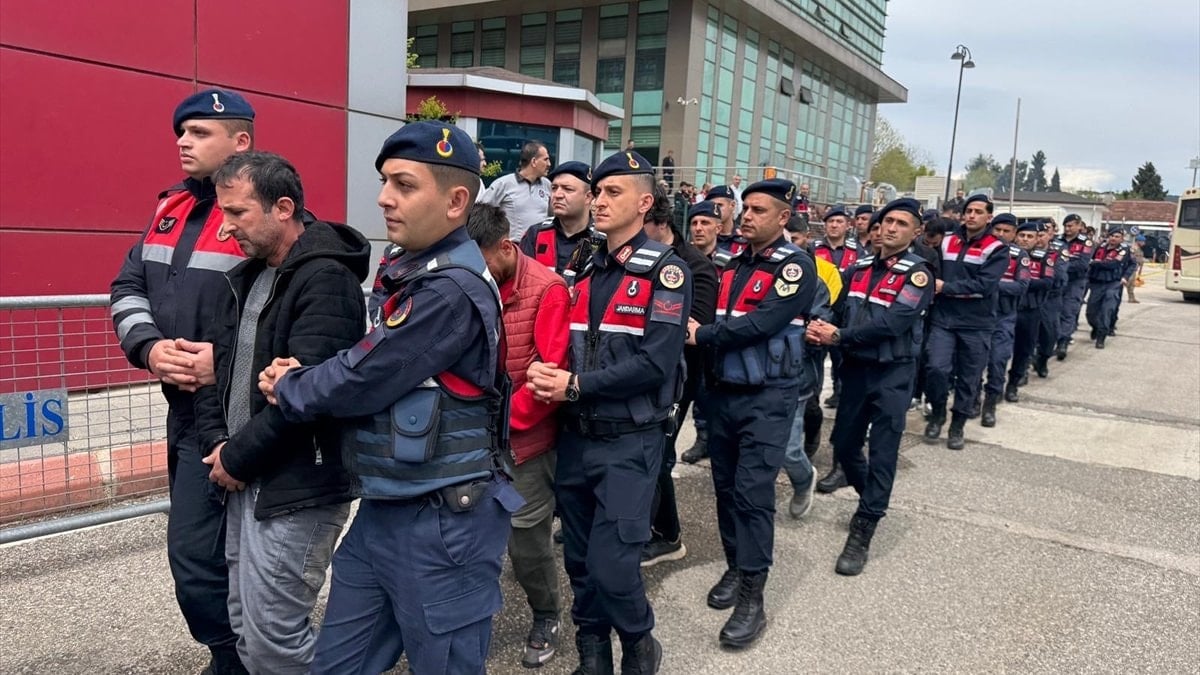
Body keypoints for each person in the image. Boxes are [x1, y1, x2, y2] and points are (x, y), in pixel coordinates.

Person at [258, 121, 523, 674]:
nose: (383, 197)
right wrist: (307, 371)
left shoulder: (449, 290)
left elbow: (364, 376)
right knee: (337, 665)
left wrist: (292, 385)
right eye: (384, 182)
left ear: (455, 202)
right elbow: (371, 356)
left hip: (444, 526)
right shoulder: (410, 271)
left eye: (404, 185)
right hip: (388, 508)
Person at [191, 151, 368, 673]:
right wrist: (216, 446)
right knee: (246, 627)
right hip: (246, 480)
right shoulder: (245, 278)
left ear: (283, 207)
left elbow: (307, 403)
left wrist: (235, 460)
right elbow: (215, 371)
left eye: (238, 214)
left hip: (296, 488)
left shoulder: (326, 280)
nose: (225, 229)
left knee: (274, 636)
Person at [527, 150, 691, 675]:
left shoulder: (666, 272)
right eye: (596, 191)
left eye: (612, 192)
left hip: (630, 440)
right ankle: (593, 654)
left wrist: (575, 385)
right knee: (579, 563)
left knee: (614, 566)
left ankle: (640, 645)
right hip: (574, 438)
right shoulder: (582, 266)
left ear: (644, 203)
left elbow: (656, 363)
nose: (598, 201)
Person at [109, 88, 255, 675]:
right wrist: (149, 347)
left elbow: (293, 317)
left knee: (207, 556)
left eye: (199, 133)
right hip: (184, 411)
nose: (183, 142)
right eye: (181, 132)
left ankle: (239, 656)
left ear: (240, 141)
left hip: (239, 414)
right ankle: (233, 653)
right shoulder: (167, 209)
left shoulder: (267, 211)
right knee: (198, 558)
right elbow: (127, 288)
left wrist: (224, 362)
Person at [687, 179, 817, 649]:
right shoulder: (732, 261)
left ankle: (752, 599)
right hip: (722, 393)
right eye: (745, 208)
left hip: (768, 397)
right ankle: (735, 567)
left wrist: (701, 336)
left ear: (783, 218)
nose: (746, 216)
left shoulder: (796, 266)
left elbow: (764, 323)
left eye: (759, 210)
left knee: (752, 494)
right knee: (724, 490)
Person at [807, 197, 934, 575]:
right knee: (844, 446)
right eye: (887, 222)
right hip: (856, 372)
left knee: (882, 451)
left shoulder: (917, 273)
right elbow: (837, 304)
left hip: (893, 374)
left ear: (916, 231)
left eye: (900, 223)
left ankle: (864, 525)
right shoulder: (860, 268)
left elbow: (894, 323)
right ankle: (872, 500)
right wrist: (819, 323)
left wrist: (838, 336)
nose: (891, 228)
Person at [468, 203, 571, 669]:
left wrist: (498, 421)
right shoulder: (473, 281)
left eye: (483, 262)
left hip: (526, 440)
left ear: (506, 247)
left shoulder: (547, 290)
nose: (477, 274)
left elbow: (548, 383)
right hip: (478, 437)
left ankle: (547, 614)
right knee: (473, 532)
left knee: (528, 539)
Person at [641, 189, 718, 567]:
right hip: (641, 369)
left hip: (679, 375)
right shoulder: (635, 256)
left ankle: (667, 535)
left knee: (659, 455)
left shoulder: (695, 266)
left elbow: (691, 330)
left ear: (660, 223)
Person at [922, 194, 1009, 451]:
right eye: (968, 210)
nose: (971, 215)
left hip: (977, 323)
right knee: (936, 369)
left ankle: (957, 424)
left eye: (978, 211)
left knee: (969, 378)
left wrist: (946, 287)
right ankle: (938, 413)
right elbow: (932, 269)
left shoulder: (997, 248)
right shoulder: (947, 240)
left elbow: (985, 285)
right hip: (944, 319)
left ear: (988, 217)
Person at [781, 215, 842, 518]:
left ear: (805, 238)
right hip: (753, 373)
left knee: (789, 449)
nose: (789, 246)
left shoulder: (815, 281)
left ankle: (804, 479)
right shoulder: (758, 271)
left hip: (795, 373)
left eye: (795, 239)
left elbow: (818, 326)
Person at [680, 200, 726, 465]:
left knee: (712, 399)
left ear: (718, 228)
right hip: (689, 343)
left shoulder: (729, 263)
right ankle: (702, 439)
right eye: (694, 223)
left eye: (705, 223)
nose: (698, 228)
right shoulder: (681, 261)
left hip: (714, 340)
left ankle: (713, 440)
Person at [979, 214, 1029, 425]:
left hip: (1004, 317)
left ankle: (990, 403)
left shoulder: (1020, 256)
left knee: (998, 360)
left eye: (1006, 231)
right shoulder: (982, 250)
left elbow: (1021, 286)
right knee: (974, 363)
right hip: (978, 316)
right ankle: (972, 399)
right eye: (997, 230)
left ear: (1014, 235)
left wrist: (991, 285)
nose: (1000, 234)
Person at [519, 160, 594, 279]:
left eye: (568, 189)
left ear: (588, 197)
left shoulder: (602, 240)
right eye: (554, 188)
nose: (558, 195)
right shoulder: (535, 234)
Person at [1007, 221, 1053, 401]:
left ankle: (1013, 385)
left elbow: (1047, 282)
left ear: (1037, 239)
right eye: (1022, 235)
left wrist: (1021, 282)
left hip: (1030, 310)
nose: (1025, 240)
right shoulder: (1005, 255)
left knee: (1023, 349)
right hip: (1006, 308)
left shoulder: (1044, 258)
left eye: (1030, 237)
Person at [478, 140, 552, 242]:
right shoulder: (504, 184)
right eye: (546, 159)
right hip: (513, 249)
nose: (549, 164)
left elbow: (553, 216)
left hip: (540, 248)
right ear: (534, 162)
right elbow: (480, 213)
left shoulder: (547, 185)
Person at [1086, 226, 1134, 349]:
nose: (1113, 238)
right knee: (1091, 311)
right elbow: (1089, 260)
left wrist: (1125, 276)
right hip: (1097, 283)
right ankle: (1095, 327)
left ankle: (1101, 336)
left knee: (1107, 310)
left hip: (1113, 283)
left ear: (1122, 238)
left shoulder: (1124, 250)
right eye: (1112, 236)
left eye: (1117, 236)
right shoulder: (1100, 247)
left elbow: (1113, 264)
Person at [1055, 214, 1094, 359]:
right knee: (1055, 311)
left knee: (1068, 311)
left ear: (1079, 226)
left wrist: (1061, 267)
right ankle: (1054, 339)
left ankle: (1063, 341)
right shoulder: (1057, 241)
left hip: (1075, 282)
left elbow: (1082, 264)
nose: (1067, 229)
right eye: (1066, 226)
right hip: (1058, 282)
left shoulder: (1086, 243)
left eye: (1071, 226)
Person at [1033, 222, 1067, 378]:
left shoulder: (1058, 252)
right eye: (1036, 235)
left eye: (1042, 235)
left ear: (1049, 236)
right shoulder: (1024, 252)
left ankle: (1043, 359)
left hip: (1050, 297)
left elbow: (1059, 275)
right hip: (1028, 297)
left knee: (1049, 333)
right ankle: (1023, 369)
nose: (1038, 239)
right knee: (1026, 334)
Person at [1128, 237, 1146, 303]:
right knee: (1129, 283)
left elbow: (1140, 259)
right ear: (1138, 241)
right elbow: (1131, 258)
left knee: (1132, 284)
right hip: (1130, 268)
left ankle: (1131, 298)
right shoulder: (1133, 248)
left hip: (1135, 268)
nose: (1144, 243)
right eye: (1143, 242)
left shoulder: (1139, 249)